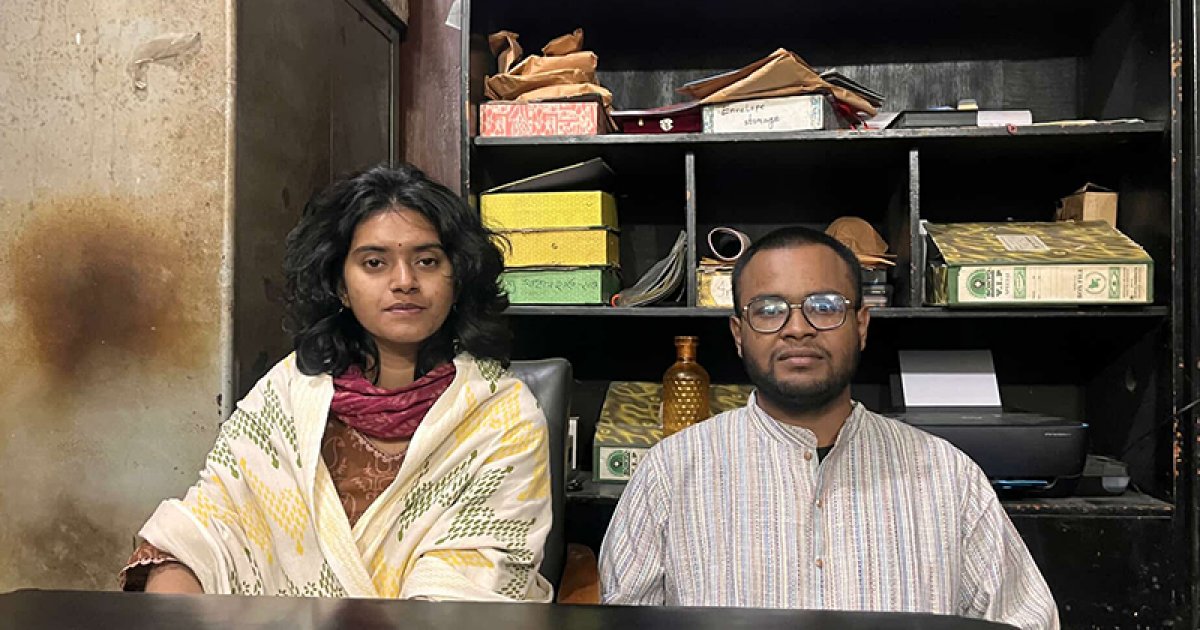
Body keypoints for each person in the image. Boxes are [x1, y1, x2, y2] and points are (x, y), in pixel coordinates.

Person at [119, 164, 553, 601]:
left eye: (426, 261)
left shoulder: (502, 415)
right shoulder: (288, 394)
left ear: (456, 279)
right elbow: (207, 529)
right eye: (374, 263)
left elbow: (471, 586)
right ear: (340, 285)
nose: (404, 282)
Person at [599, 226, 1058, 629]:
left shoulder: (947, 476)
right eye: (769, 309)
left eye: (824, 306)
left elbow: (1026, 620)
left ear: (861, 325)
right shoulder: (671, 474)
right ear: (739, 334)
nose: (798, 328)